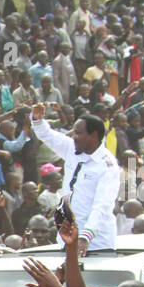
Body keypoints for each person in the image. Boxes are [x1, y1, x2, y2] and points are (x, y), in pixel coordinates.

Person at [29, 103, 119, 251]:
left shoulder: (107, 165)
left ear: (94, 135)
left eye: (78, 133)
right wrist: (37, 120)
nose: (73, 137)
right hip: (67, 239)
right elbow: (48, 136)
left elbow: (102, 205)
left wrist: (85, 236)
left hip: (96, 244)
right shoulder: (72, 148)